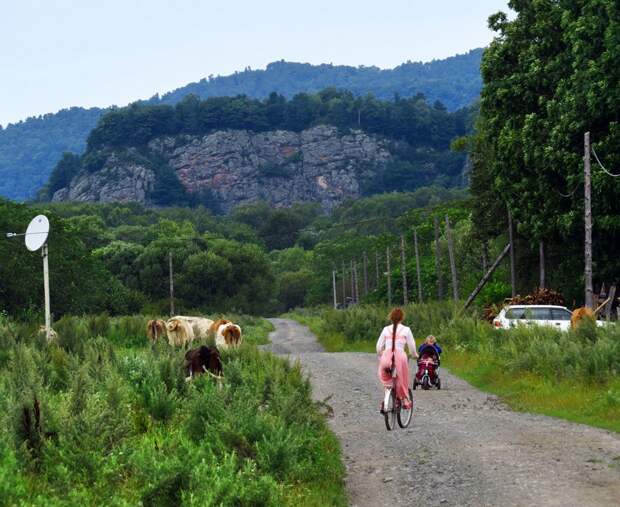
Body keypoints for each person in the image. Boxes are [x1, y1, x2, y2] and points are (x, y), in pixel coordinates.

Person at [376, 308, 418, 410]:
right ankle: (404, 400)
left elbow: (378, 347)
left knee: (387, 379)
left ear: (390, 317)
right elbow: (412, 347)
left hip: (386, 357)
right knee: (402, 379)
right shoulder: (406, 330)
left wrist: (382, 354)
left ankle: (386, 399)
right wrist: (414, 355)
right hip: (400, 357)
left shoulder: (386, 329)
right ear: (402, 318)